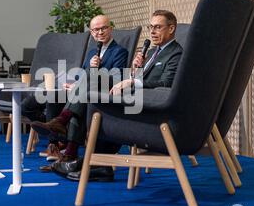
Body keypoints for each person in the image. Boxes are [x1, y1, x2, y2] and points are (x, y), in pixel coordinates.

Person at [36, 10, 183, 181]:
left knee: (89, 87)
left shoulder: (175, 53)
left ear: (171, 28)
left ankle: (65, 128)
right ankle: (75, 156)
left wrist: (132, 81)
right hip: (126, 95)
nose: (152, 31)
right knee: (85, 100)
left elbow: (166, 85)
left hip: (143, 106)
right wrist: (136, 71)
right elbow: (139, 80)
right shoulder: (151, 52)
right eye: (151, 27)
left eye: (158, 27)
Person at [28, 15, 128, 164]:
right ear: (91, 32)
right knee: (56, 98)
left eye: (103, 28)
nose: (100, 32)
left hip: (104, 93)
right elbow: (81, 76)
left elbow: (116, 78)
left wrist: (94, 70)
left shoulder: (119, 51)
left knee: (81, 98)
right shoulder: (91, 52)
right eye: (95, 30)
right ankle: (63, 150)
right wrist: (75, 84)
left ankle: (62, 122)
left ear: (110, 29)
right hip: (84, 93)